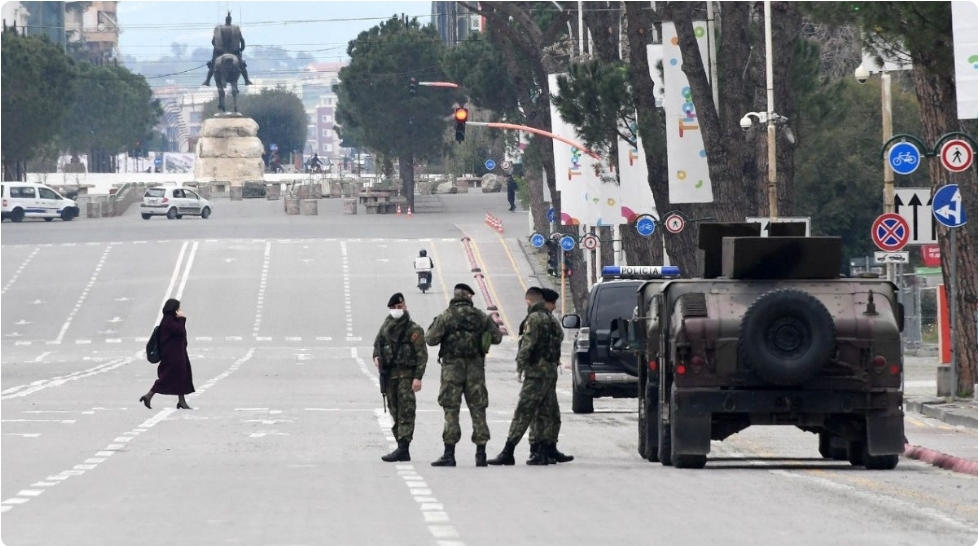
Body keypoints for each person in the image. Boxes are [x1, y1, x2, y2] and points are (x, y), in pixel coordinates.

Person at [425, 283, 504, 467]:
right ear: (469, 296)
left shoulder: (446, 316)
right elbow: (498, 338)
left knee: (451, 410)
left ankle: (449, 453)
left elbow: (430, 339)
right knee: (478, 409)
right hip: (475, 370)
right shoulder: (480, 316)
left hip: (452, 370)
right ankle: (481, 454)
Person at [487, 287, 563, 466]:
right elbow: (558, 341)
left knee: (523, 412)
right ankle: (543, 452)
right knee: (547, 413)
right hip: (550, 372)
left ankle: (508, 451)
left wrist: (519, 368)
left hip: (536, 373)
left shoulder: (534, 319)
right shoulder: (551, 320)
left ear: (529, 301)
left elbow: (528, 345)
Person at [373, 293, 428, 462]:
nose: (397, 310)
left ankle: (404, 447)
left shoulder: (413, 329)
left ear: (405, 307)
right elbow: (378, 344)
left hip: (406, 376)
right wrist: (376, 357)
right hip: (390, 376)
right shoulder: (386, 326)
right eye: (394, 308)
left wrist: (417, 378)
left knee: (406, 411)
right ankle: (400, 444)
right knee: (394, 410)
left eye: (400, 307)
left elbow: (422, 355)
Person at [139, 299, 195, 410]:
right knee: (167, 377)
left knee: (181, 376)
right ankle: (149, 395)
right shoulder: (169, 321)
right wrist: (182, 319)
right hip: (173, 355)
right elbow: (180, 331)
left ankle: (181, 400)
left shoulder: (170, 320)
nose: (179, 310)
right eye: (178, 308)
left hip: (178, 354)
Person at [203, 12, 254, 86]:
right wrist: (241, 49)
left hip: (220, 52)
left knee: (213, 65)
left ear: (225, 20)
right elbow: (242, 41)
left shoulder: (219, 28)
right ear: (231, 20)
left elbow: (213, 42)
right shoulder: (236, 29)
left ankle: (207, 80)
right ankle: (246, 80)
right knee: (241, 65)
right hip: (234, 52)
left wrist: (217, 46)